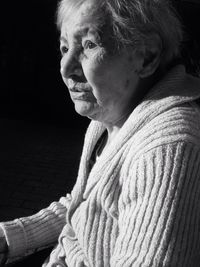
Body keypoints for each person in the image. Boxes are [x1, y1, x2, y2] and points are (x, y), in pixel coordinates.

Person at [1, 0, 200, 266]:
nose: (65, 68)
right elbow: (87, 204)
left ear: (147, 56)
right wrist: (13, 237)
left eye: (89, 45)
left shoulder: (166, 151)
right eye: (64, 47)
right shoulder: (111, 115)